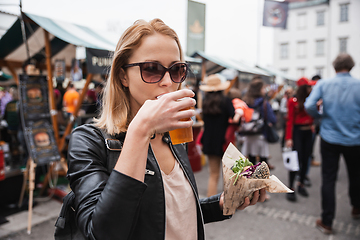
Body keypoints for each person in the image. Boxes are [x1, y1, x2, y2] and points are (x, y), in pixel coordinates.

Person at [66, 19, 266, 240]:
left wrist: (221, 204)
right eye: (152, 69)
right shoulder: (88, 141)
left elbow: (170, 212)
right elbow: (103, 233)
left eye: (177, 69)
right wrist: (140, 130)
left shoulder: (172, 135)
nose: (168, 82)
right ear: (123, 76)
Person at [304, 53, 360, 234]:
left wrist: (321, 117)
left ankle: (327, 221)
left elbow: (309, 105)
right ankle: (357, 207)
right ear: (351, 66)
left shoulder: (324, 84)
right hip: (354, 138)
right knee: (356, 175)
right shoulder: (358, 85)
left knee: (328, 178)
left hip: (329, 137)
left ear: (334, 67)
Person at [200, 75, 240, 197]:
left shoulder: (205, 102)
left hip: (209, 141)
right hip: (224, 142)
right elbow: (234, 119)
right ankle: (230, 200)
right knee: (230, 173)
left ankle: (210, 200)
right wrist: (239, 113)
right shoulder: (225, 101)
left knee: (213, 174)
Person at [285, 77, 316, 202]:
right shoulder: (293, 101)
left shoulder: (310, 100)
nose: (311, 89)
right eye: (308, 87)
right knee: (295, 160)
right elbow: (290, 120)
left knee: (305, 158)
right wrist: (288, 137)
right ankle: (291, 187)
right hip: (297, 132)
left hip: (308, 132)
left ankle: (301, 183)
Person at [241, 76, 277, 169]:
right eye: (263, 88)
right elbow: (272, 119)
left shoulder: (245, 102)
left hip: (248, 134)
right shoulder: (264, 103)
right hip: (260, 135)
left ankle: (251, 182)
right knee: (262, 164)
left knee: (251, 163)